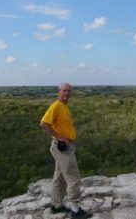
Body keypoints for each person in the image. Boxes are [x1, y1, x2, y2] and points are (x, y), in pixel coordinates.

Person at [40, 83, 92, 219]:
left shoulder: (64, 106)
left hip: (65, 146)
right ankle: (75, 210)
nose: (67, 93)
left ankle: (56, 206)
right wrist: (59, 137)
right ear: (59, 91)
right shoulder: (56, 106)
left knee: (60, 177)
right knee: (74, 178)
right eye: (64, 90)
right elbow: (43, 124)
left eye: (69, 91)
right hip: (62, 147)